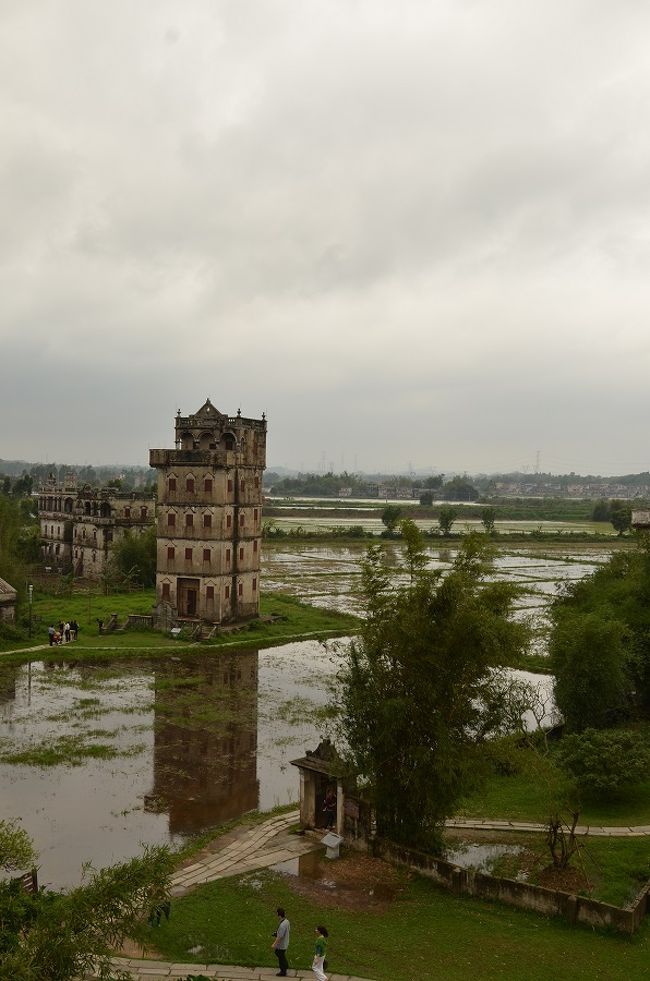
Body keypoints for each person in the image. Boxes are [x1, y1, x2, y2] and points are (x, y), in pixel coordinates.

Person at [271, 906, 290, 977]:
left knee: (279, 954)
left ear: (278, 914)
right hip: (285, 941)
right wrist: (276, 933)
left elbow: (280, 937)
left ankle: (283, 970)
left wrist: (274, 944)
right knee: (280, 954)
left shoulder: (282, 925)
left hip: (282, 944)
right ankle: (284, 967)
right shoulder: (286, 921)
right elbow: (284, 932)